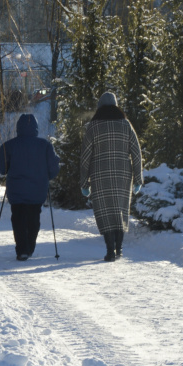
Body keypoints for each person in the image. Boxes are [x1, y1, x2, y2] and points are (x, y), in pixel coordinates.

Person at [79, 92, 143, 262]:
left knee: (105, 211)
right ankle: (119, 248)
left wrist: (84, 182)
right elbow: (136, 153)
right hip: (123, 174)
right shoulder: (125, 124)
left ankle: (110, 251)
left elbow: (85, 156)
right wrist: (138, 179)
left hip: (100, 175)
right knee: (120, 210)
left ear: (100, 106)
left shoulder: (93, 126)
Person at [0, 114, 60, 261]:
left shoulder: (9, 145)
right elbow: (54, 168)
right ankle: (30, 247)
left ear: (18, 127)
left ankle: (22, 249)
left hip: (16, 191)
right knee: (33, 218)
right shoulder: (45, 145)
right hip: (37, 191)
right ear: (35, 128)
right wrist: (45, 176)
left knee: (18, 218)